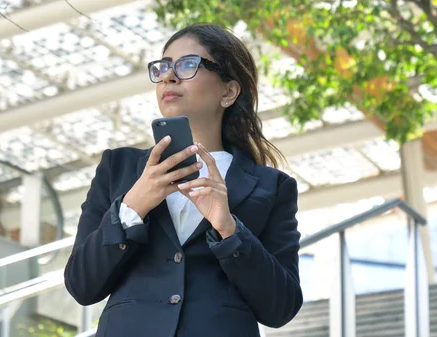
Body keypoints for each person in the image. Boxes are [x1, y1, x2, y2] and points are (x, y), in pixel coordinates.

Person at [64, 23, 303, 337]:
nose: (168, 76)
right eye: (162, 67)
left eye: (187, 65)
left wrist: (229, 229)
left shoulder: (272, 187)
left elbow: (281, 307)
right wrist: (134, 205)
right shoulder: (118, 168)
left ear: (229, 91)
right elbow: (82, 284)